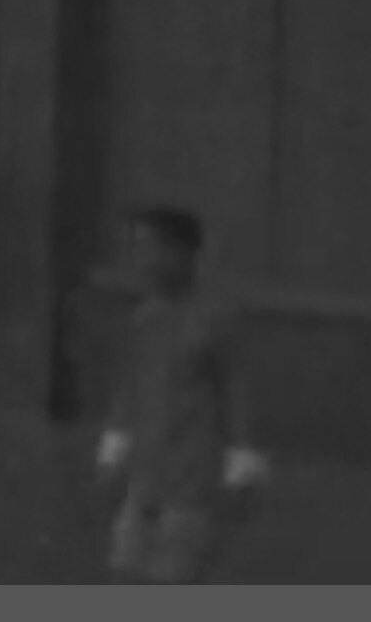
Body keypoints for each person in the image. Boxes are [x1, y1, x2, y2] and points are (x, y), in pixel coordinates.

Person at [98, 205, 269, 585]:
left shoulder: (217, 320)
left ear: (183, 252)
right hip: (145, 477)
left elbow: (239, 392)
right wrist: (115, 447)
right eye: (136, 249)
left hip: (193, 483)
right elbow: (130, 389)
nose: (142, 261)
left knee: (173, 576)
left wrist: (242, 465)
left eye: (150, 248)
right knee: (126, 570)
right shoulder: (145, 319)